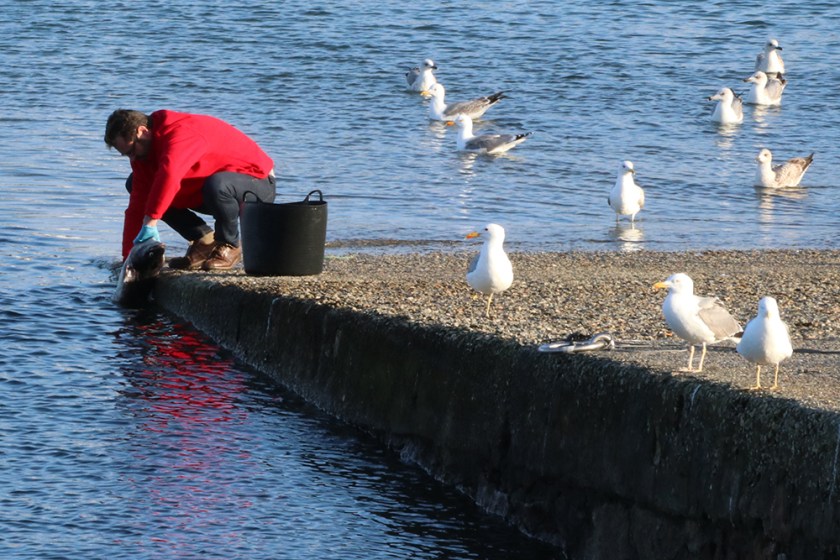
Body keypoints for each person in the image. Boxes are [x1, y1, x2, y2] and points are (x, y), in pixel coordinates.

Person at [104, 109, 276, 270]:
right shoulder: (143, 156)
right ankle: (204, 240)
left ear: (142, 131)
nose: (132, 158)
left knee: (216, 184)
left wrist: (150, 222)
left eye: (132, 150)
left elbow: (170, 174)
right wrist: (128, 258)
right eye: (127, 154)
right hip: (210, 190)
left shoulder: (180, 133)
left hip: (257, 184)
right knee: (136, 184)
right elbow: (136, 207)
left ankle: (230, 244)